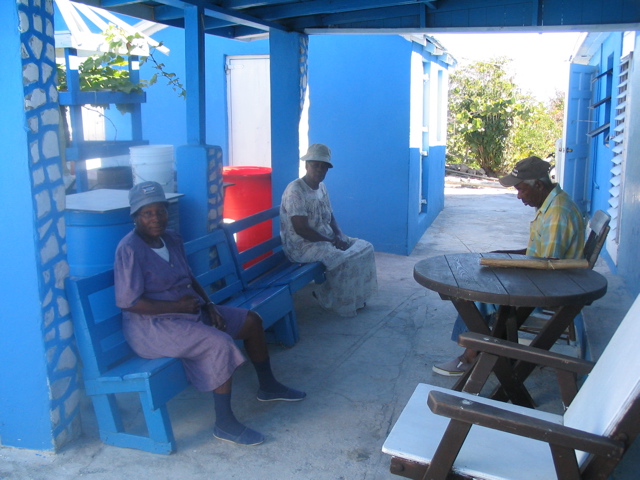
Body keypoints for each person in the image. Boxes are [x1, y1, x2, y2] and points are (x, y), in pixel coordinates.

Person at [114, 181, 305, 447]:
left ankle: (268, 386)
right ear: (135, 217)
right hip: (152, 326)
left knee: (251, 321)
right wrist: (178, 307)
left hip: (188, 311)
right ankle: (224, 423)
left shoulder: (171, 238)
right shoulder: (129, 249)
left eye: (160, 211)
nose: (155, 218)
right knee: (219, 343)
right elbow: (128, 302)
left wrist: (209, 305)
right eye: (147, 213)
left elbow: (189, 278)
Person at [433, 156, 585, 376]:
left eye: (521, 190)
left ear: (539, 185)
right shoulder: (550, 204)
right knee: (484, 278)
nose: (519, 196)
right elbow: (538, 253)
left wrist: (510, 265)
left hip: (552, 286)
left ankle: (470, 356)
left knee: (481, 294)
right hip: (546, 278)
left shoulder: (557, 213)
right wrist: (505, 255)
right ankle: (474, 351)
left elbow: (547, 266)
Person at [280, 143, 378, 317]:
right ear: (306, 165)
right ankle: (326, 296)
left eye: (323, 166)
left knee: (365, 247)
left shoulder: (322, 188)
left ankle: (355, 297)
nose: (319, 169)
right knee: (340, 258)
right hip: (302, 245)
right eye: (315, 164)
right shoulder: (295, 190)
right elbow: (301, 229)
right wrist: (331, 241)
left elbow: (331, 216)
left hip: (325, 238)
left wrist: (339, 235)